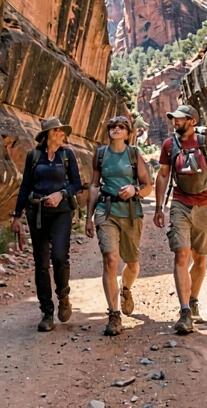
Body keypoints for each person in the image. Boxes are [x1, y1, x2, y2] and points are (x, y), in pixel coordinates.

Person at [153, 104, 207, 334]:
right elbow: (163, 175)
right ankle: (185, 310)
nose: (175, 122)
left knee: (200, 259)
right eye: (173, 119)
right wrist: (159, 207)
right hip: (180, 203)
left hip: (205, 205)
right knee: (181, 254)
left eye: (179, 119)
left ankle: (194, 299)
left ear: (191, 121)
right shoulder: (169, 145)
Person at [83, 115, 153, 336]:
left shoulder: (133, 154)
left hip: (131, 213)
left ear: (128, 132)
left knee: (132, 264)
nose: (116, 129)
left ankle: (126, 288)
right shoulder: (101, 154)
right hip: (107, 210)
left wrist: (135, 190)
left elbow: (147, 185)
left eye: (121, 127)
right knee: (110, 259)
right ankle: (114, 315)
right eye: (112, 126)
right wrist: (89, 216)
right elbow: (94, 186)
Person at [12, 116, 83, 331]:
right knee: (41, 262)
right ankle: (46, 312)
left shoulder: (67, 155)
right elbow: (25, 186)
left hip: (61, 212)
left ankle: (63, 296)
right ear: (49, 134)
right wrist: (17, 216)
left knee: (60, 256)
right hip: (37, 213)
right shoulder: (34, 156)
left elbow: (77, 185)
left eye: (63, 132)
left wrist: (61, 194)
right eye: (60, 131)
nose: (63, 135)